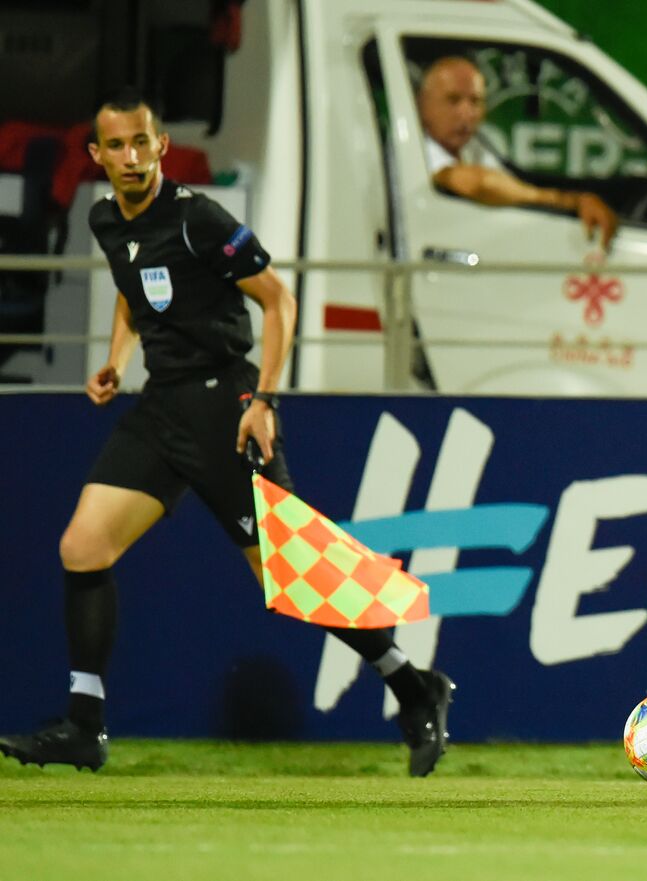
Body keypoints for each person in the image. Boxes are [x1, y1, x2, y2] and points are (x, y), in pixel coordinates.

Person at [0, 90, 455, 777]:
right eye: (115, 146)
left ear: (161, 147)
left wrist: (263, 397)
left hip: (224, 401)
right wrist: (116, 361)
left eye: (141, 143)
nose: (130, 157)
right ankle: (84, 725)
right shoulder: (103, 218)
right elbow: (132, 289)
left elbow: (279, 299)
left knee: (290, 576)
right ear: (97, 155)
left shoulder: (198, 219)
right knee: (83, 545)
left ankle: (414, 683)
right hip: (162, 407)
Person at [417, 56, 619, 251]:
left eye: (475, 101)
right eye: (453, 100)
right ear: (422, 104)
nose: (466, 113)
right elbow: (480, 184)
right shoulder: (417, 147)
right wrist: (569, 202)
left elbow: (510, 186)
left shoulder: (473, 145)